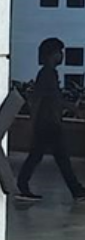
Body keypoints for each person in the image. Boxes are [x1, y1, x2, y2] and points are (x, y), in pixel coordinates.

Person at [16, 37, 85, 202]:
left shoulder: (48, 73)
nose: (61, 56)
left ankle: (23, 185)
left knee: (41, 156)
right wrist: (74, 109)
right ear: (52, 54)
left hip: (47, 122)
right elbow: (45, 98)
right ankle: (76, 191)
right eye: (59, 52)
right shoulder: (47, 73)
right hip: (48, 123)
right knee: (59, 158)